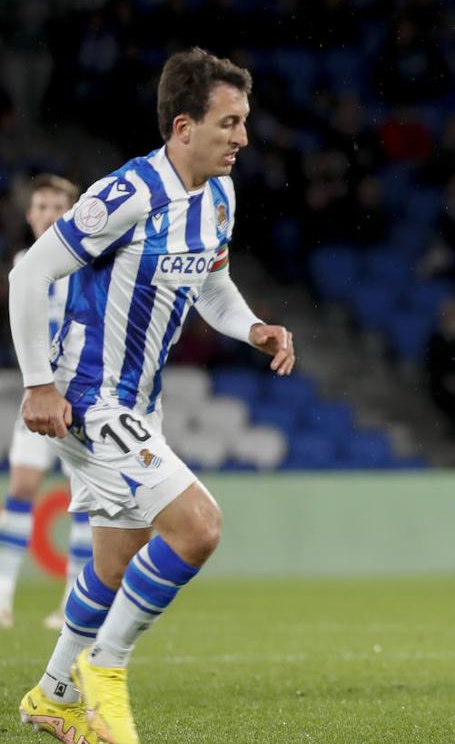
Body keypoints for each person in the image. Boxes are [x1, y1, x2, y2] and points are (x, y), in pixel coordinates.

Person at [11, 47, 296, 744]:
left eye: (245, 122)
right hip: (88, 398)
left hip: (139, 403)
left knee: (113, 562)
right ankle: (105, 670)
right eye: (229, 122)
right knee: (198, 528)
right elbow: (28, 275)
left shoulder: (220, 195)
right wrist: (39, 384)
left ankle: (50, 694)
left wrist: (251, 326)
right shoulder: (126, 194)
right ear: (182, 127)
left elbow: (210, 285)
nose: (243, 137)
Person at [0, 174, 93, 633]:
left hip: (81, 398)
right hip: (38, 395)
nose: (50, 214)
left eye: (59, 207)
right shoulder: (21, 263)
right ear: (30, 214)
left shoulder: (89, 263)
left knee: (83, 500)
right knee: (20, 487)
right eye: (42, 206)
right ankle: (2, 597)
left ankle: (71, 605)